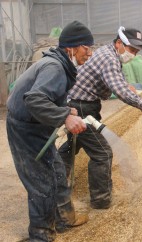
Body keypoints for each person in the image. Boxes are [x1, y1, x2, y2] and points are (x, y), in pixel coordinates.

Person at [6, 21, 94, 241]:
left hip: (35, 124)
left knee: (55, 171)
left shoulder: (59, 63)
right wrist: (64, 116)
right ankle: (41, 235)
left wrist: (64, 109)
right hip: (25, 128)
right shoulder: (54, 67)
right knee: (41, 181)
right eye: (86, 47)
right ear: (71, 47)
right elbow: (34, 100)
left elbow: (44, 98)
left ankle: (65, 218)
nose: (89, 54)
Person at [58, 26, 142, 210]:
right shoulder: (110, 59)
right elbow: (118, 90)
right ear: (119, 43)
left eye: (136, 51)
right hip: (80, 107)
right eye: (131, 50)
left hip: (82, 103)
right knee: (102, 153)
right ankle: (101, 200)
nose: (133, 55)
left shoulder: (109, 53)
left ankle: (56, 181)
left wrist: (126, 85)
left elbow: (115, 81)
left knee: (73, 145)